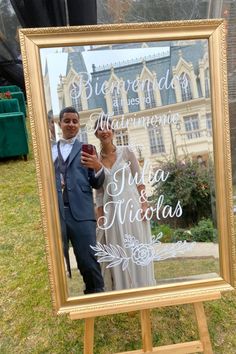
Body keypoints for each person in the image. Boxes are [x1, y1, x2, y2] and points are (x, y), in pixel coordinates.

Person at [94, 116, 156, 291]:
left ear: (113, 132)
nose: (105, 131)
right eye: (100, 129)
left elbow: (139, 180)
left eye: (108, 128)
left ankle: (143, 287)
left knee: (137, 244)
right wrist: (100, 218)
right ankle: (124, 290)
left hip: (132, 207)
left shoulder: (126, 151)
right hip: (112, 211)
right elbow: (98, 193)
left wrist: (144, 205)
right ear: (96, 134)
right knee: (118, 248)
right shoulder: (96, 160)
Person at [52, 106, 105, 294]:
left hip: (82, 213)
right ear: (60, 124)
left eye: (75, 121)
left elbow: (97, 183)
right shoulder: (49, 150)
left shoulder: (86, 148)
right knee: (56, 261)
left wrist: (98, 167)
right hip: (56, 213)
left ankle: (96, 293)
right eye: (67, 121)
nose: (71, 124)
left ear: (79, 124)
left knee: (88, 259)